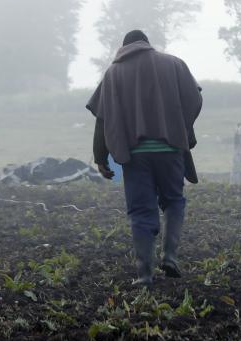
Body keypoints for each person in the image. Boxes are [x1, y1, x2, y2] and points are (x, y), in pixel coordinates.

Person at [86, 30, 202, 286]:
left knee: (140, 211)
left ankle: (144, 274)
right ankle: (170, 256)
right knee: (173, 201)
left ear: (123, 48)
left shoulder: (113, 73)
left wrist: (100, 156)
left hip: (135, 155)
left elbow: (102, 119)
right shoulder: (173, 64)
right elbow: (195, 99)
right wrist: (183, 128)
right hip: (170, 149)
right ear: (147, 44)